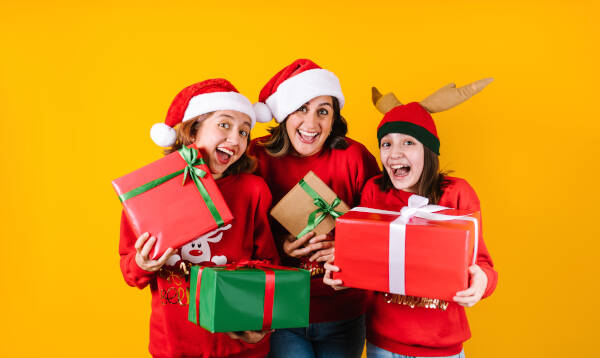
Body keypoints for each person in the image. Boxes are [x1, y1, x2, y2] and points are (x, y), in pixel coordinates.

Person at [323, 100, 498, 357]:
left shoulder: (457, 193)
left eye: (408, 142)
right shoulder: (375, 191)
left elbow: (483, 265)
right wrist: (343, 274)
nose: (394, 153)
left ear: (428, 151)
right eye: (387, 143)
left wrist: (481, 282)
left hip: (442, 346)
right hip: (384, 343)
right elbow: (367, 261)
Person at [119, 78, 279, 358]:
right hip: (174, 346)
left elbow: (269, 265)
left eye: (244, 132)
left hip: (240, 348)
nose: (236, 138)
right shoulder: (152, 190)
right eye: (225, 124)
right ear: (193, 130)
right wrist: (142, 263)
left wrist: (261, 325)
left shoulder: (253, 190)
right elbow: (130, 270)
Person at [249, 59, 380, 358]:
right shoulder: (256, 156)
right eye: (301, 108)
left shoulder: (355, 157)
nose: (311, 124)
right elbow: (240, 231)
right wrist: (280, 246)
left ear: (334, 118)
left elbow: (382, 231)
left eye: (323, 111)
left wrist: (347, 249)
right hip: (281, 310)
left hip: (343, 311)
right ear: (284, 114)